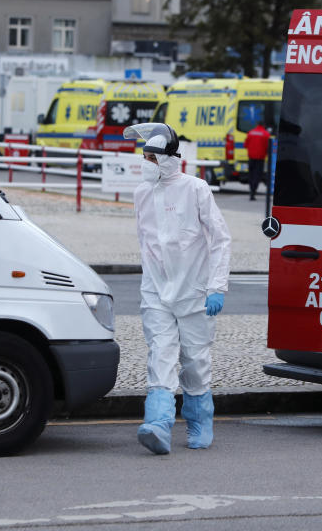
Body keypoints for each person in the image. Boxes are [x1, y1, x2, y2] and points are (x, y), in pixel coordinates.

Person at [123, 123, 232, 455]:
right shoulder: (141, 193)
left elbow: (220, 239)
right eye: (143, 157)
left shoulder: (196, 189)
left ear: (168, 160)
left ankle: (200, 421)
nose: (145, 163)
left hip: (194, 291)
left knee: (194, 360)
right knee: (161, 353)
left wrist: (217, 287)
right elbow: (147, 244)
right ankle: (158, 423)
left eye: (150, 157)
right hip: (156, 289)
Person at [244, 121, 270, 201]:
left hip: (251, 157)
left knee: (251, 175)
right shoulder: (266, 134)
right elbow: (268, 147)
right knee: (257, 175)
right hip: (260, 158)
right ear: (264, 125)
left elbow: (245, 145)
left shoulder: (250, 132)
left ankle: (251, 191)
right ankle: (253, 192)